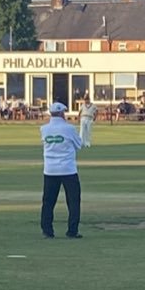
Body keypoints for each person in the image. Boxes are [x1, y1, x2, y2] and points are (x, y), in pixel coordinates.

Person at [40, 102, 85, 239]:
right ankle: (72, 230)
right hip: (68, 169)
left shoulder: (43, 129)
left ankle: (47, 230)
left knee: (48, 201)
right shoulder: (69, 129)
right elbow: (79, 144)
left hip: (50, 170)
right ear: (61, 114)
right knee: (73, 201)